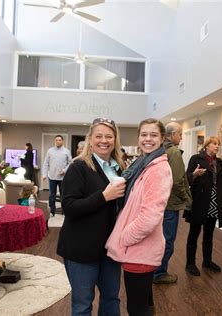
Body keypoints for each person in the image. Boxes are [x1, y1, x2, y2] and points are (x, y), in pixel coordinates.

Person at [57, 118, 126, 316]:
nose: (104, 141)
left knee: (112, 298)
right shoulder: (78, 167)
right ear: (90, 139)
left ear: (115, 139)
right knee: (82, 305)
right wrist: (104, 196)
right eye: (99, 136)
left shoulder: (118, 167)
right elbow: (69, 207)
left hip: (110, 248)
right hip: (81, 249)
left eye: (109, 136)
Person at [106, 118, 173, 316]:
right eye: (144, 135)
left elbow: (151, 215)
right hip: (139, 248)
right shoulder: (144, 163)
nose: (148, 139)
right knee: (143, 301)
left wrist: (125, 238)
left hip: (139, 248)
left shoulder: (158, 169)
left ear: (162, 138)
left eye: (153, 135)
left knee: (136, 306)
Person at [185, 136, 222, 276]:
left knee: (209, 234)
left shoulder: (219, 162)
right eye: (214, 144)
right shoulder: (195, 158)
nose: (216, 146)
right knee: (194, 234)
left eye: (218, 144)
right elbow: (187, 178)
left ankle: (207, 261)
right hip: (199, 201)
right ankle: (190, 263)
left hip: (214, 202)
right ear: (206, 145)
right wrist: (194, 174)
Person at [153, 122, 192, 284]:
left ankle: (155, 270)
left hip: (160, 201)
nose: (181, 137)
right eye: (180, 134)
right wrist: (186, 198)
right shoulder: (174, 152)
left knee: (160, 239)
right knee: (167, 240)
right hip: (170, 203)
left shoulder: (160, 149)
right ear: (172, 134)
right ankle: (159, 273)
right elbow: (177, 181)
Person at [42, 135, 72, 216]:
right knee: (52, 195)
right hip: (52, 176)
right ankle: (52, 211)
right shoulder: (50, 151)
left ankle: (65, 210)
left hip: (62, 177)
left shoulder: (66, 151)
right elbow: (46, 163)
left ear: (62, 141)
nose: (58, 141)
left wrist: (64, 170)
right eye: (56, 140)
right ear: (54, 141)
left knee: (63, 195)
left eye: (59, 140)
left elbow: (70, 163)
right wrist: (44, 174)